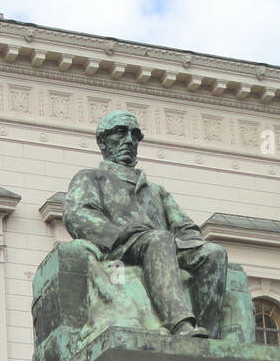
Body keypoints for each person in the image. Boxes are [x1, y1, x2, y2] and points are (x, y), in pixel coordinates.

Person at [63, 110, 228, 337]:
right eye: (120, 133)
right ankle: (180, 325)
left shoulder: (156, 191)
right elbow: (77, 214)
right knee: (158, 239)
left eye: (135, 135)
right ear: (102, 142)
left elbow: (186, 227)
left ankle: (210, 335)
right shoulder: (90, 178)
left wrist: (183, 241)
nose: (129, 140)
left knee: (214, 253)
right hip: (121, 247)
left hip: (162, 245)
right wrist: (117, 233)